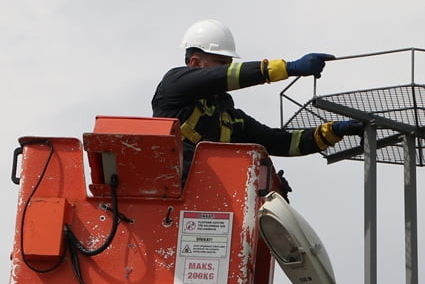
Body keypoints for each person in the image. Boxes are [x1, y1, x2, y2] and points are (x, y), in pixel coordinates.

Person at [151, 19, 364, 174]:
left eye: (229, 63)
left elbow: (282, 142)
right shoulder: (174, 84)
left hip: (209, 199)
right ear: (195, 62)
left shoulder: (232, 119)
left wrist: (330, 133)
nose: (227, 68)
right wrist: (287, 68)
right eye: (221, 63)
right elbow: (225, 77)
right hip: (169, 187)